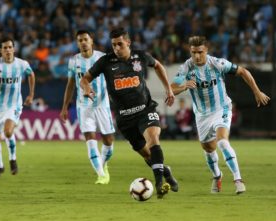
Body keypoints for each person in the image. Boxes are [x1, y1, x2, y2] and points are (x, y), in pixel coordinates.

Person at [80, 28, 178, 199]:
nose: (116, 48)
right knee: (147, 154)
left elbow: (158, 66)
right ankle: (165, 170)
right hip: (125, 119)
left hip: (145, 110)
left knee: (153, 139)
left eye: (120, 44)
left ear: (128, 42)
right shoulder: (105, 62)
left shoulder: (140, 56)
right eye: (113, 45)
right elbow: (84, 79)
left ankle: (159, 183)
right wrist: (87, 89)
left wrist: (168, 89)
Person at [171, 36, 270, 194]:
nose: (197, 56)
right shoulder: (185, 68)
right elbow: (171, 89)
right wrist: (183, 87)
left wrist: (257, 91)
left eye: (200, 52)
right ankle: (217, 176)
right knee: (208, 149)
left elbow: (243, 71)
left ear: (206, 50)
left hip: (221, 108)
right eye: (193, 52)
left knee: (223, 142)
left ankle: (238, 180)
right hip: (202, 114)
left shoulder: (217, 63)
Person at [60, 30, 115, 185]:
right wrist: (65, 107)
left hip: (102, 105)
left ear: (91, 41)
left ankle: (103, 166)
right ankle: (101, 175)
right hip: (83, 106)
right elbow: (70, 85)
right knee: (90, 139)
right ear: (77, 43)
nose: (83, 42)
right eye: (80, 40)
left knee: (109, 141)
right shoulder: (73, 61)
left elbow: (112, 78)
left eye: (85, 39)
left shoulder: (102, 58)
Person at [0, 36, 35, 178]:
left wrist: (31, 94)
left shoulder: (22, 64)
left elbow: (31, 75)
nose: (8, 50)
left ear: (14, 49)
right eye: (5, 48)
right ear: (1, 51)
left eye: (10, 47)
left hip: (14, 105)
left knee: (9, 132)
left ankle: (12, 159)